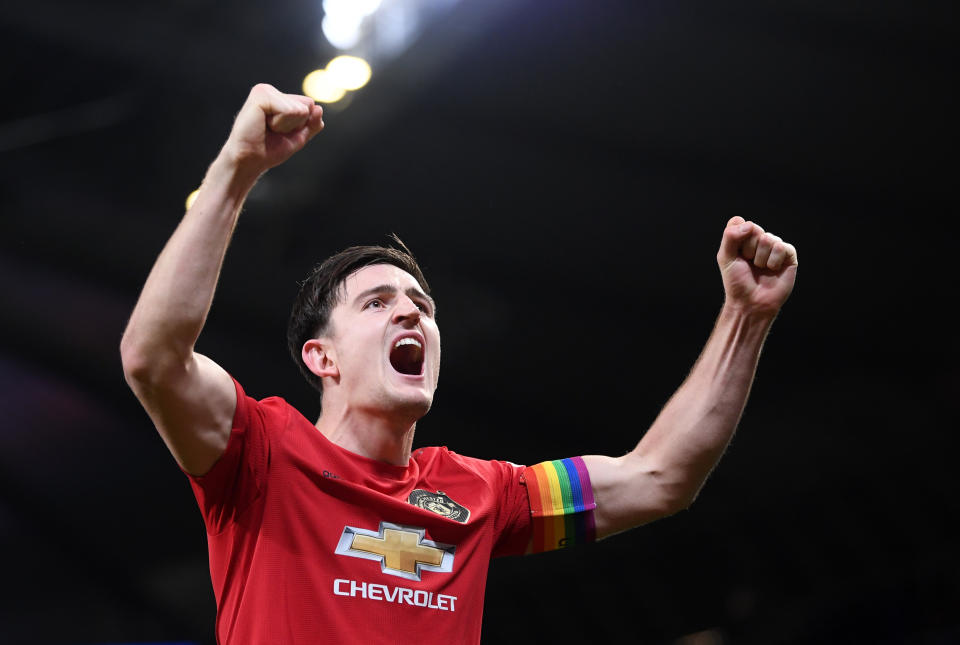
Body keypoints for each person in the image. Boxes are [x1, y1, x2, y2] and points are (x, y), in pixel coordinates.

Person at [120, 84, 798, 644]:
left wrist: (747, 315)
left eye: (422, 303)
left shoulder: (480, 493)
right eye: (378, 302)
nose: (412, 314)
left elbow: (660, 478)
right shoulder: (259, 455)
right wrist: (238, 168)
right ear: (319, 356)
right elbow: (153, 358)